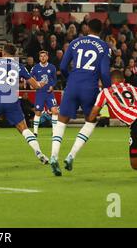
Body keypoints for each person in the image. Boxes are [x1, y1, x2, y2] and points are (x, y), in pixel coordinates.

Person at [50, 19, 111, 176]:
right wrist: (108, 90)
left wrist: (70, 78)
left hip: (72, 85)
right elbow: (104, 73)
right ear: (101, 30)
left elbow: (63, 66)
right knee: (91, 121)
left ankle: (53, 156)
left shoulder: (75, 42)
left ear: (87, 28)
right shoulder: (104, 47)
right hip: (90, 87)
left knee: (61, 121)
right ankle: (71, 155)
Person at [0, 44, 49, 165]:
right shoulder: (19, 66)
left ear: (3, 52)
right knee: (24, 129)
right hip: (12, 101)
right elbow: (35, 86)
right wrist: (41, 84)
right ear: (14, 54)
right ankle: (39, 152)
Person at [31, 50, 59, 137]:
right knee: (38, 112)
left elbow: (54, 79)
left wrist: (52, 86)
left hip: (49, 93)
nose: (43, 58)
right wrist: (34, 84)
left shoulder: (52, 67)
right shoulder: (35, 68)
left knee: (55, 111)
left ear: (47, 57)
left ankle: (54, 132)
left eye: (44, 56)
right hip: (40, 93)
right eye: (41, 56)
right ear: (39, 58)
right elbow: (30, 78)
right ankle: (35, 132)